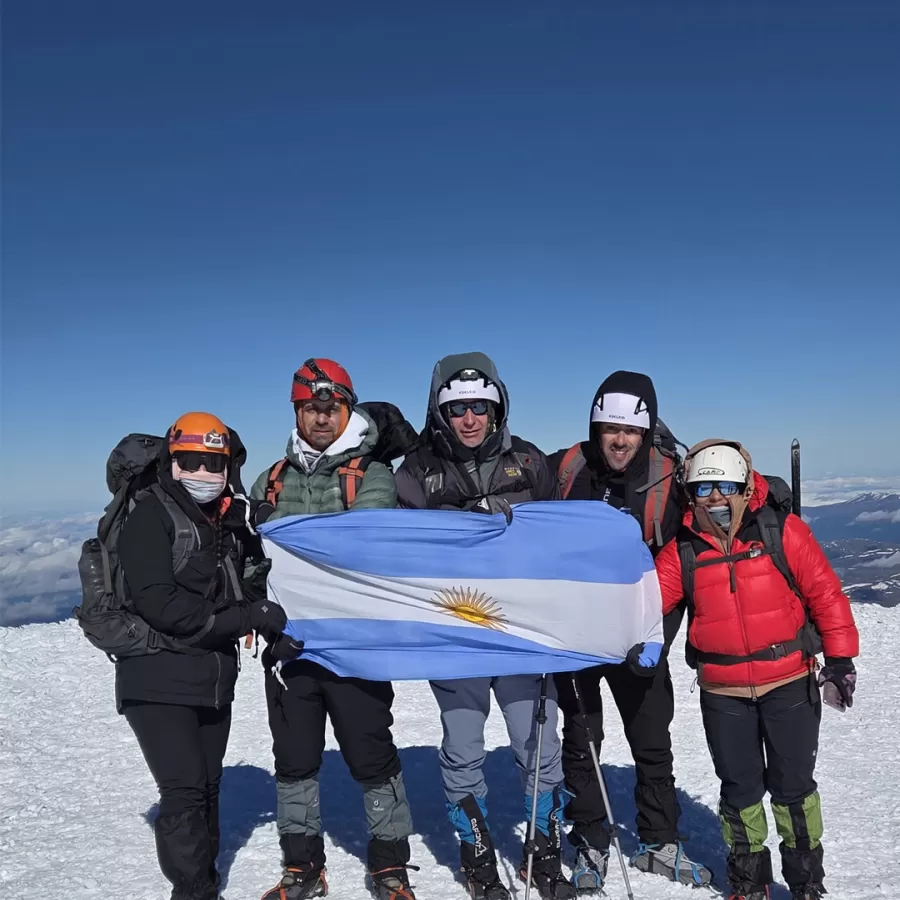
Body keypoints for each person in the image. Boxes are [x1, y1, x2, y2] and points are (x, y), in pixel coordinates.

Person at [395, 352, 575, 900]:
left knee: (536, 745)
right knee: (464, 748)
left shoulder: (530, 461)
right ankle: (477, 860)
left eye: (479, 406)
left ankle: (544, 854)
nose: (469, 419)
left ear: (496, 409)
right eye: (457, 409)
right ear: (439, 412)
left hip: (519, 635)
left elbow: (563, 538)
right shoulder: (416, 472)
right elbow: (397, 552)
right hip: (456, 637)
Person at [654, 441, 859, 900]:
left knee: (794, 788)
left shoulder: (780, 532)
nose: (714, 498)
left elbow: (825, 594)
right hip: (723, 694)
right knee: (740, 791)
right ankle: (749, 883)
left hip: (788, 684)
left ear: (746, 488)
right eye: (702, 487)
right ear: (690, 492)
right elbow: (645, 602)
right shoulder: (682, 550)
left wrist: (840, 659)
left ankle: (806, 883)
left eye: (725, 486)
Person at [250, 359, 416, 900]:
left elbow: (364, 545)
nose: (321, 418)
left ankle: (389, 865)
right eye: (310, 408)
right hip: (289, 648)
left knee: (370, 754)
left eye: (331, 408)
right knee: (294, 759)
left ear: (348, 410)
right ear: (296, 411)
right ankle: (302, 866)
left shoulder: (371, 475)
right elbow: (255, 561)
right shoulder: (270, 479)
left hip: (355, 645)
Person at [548, 371, 711, 892]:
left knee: (651, 734)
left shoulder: (670, 480)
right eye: (609, 428)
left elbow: (687, 549)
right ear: (596, 428)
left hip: (641, 628)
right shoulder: (567, 468)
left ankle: (659, 841)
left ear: (646, 432)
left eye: (630, 430)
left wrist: (654, 627)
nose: (619, 440)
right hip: (578, 628)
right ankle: (591, 841)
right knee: (581, 736)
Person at [117, 412, 288, 900]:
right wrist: (244, 620)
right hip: (156, 676)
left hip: (212, 677)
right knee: (185, 792)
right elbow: (158, 602)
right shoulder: (149, 514)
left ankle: (203, 881)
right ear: (172, 462)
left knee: (208, 787)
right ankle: (192, 891)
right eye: (189, 460)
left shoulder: (227, 522)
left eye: (212, 462)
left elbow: (248, 580)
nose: (202, 472)